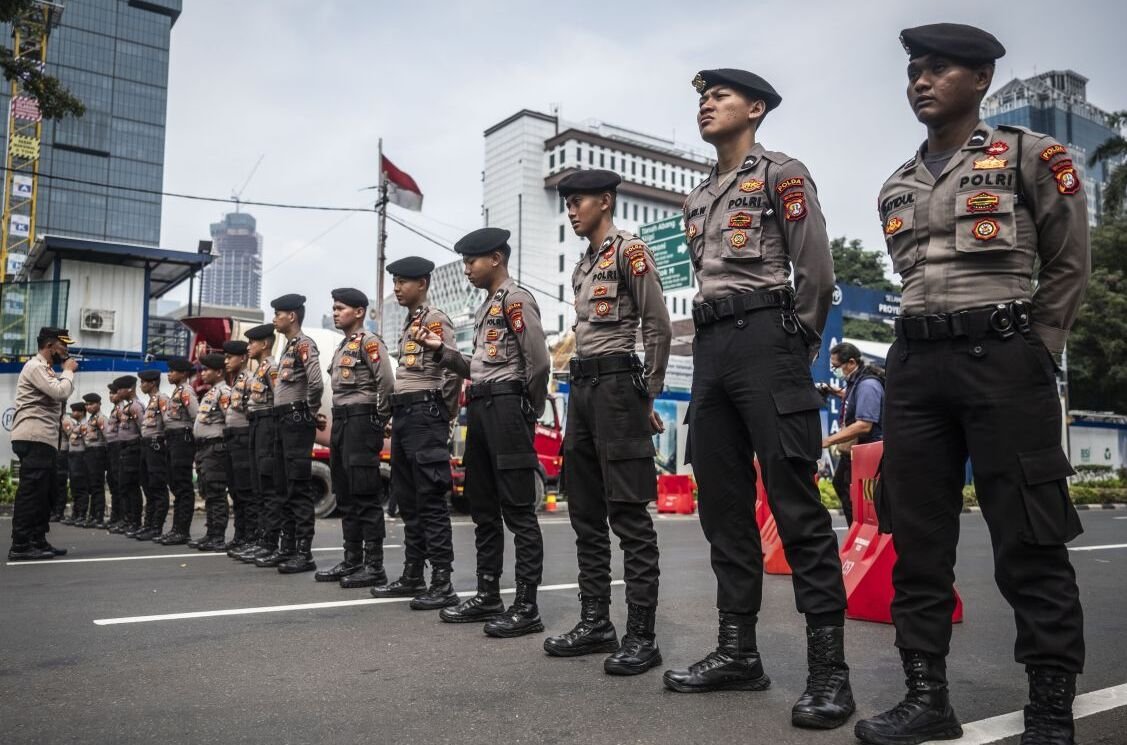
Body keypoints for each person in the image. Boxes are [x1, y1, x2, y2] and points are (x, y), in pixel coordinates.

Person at [854, 24, 1090, 745]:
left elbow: (1068, 264)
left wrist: (1036, 351)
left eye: (938, 69)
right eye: (913, 72)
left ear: (981, 77)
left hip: (1003, 359)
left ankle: (1049, 706)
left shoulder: (1030, 155)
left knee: (1029, 536)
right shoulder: (896, 183)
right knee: (916, 538)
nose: (920, 82)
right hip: (915, 368)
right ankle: (926, 698)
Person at [662, 68, 853, 730]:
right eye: (701, 98)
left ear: (757, 108)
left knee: (795, 506)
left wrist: (794, 347)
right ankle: (738, 652)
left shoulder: (782, 174)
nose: (706, 105)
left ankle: (829, 672)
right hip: (711, 349)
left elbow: (816, 272)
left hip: (768, 339)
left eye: (719, 96)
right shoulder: (697, 197)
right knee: (722, 508)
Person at [542, 169, 672, 675]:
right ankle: (596, 622)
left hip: (619, 387)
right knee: (585, 513)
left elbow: (657, 324)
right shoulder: (582, 266)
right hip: (582, 390)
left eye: (578, 201)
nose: (571, 210)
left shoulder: (629, 252)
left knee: (629, 517)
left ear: (606, 201)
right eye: (567, 203)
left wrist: (648, 394)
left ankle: (642, 636)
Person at [419, 227, 551, 636]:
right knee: (484, 508)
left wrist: (529, 410)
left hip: (507, 409)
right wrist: (442, 352)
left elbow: (539, 362)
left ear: (495, 258)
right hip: (480, 407)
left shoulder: (516, 299)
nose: (466, 269)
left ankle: (526, 606)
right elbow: (477, 369)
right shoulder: (484, 309)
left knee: (518, 511)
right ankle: (488, 594)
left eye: (471, 261)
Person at [370, 257, 462, 610]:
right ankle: (413, 575)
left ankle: (442, 581)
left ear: (422, 283)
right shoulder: (411, 323)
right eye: (394, 282)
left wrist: (444, 414)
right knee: (408, 500)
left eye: (403, 282)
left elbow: (451, 370)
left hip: (426, 415)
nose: (397, 288)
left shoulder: (436, 319)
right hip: (406, 416)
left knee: (431, 500)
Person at [314, 288, 395, 588]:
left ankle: (374, 566)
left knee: (365, 494)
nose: (335, 313)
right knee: (345, 494)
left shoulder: (369, 342)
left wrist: (378, 420)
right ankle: (352, 560)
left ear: (359, 312)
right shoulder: (342, 346)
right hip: (341, 422)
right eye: (334, 308)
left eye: (341, 308)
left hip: (362, 421)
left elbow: (387, 384)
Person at [7, 327, 77, 561]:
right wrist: (68, 371)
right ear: (49, 345)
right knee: (32, 492)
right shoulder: (35, 366)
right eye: (63, 345)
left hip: (44, 439)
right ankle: (20, 545)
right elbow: (60, 392)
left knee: (45, 493)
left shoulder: (45, 369)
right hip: (33, 437)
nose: (66, 350)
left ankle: (37, 539)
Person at [267, 293, 323, 574]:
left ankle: (304, 552)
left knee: (298, 486)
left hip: (296, 420)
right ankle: (287, 547)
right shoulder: (287, 348)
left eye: (278, 314)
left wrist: (309, 411)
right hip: (282, 420)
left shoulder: (304, 344)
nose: (274, 318)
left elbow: (316, 382)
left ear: (292, 316)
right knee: (283, 486)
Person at [821, 342, 884, 526]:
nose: (835, 371)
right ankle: (856, 528)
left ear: (851, 362)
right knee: (840, 484)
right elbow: (851, 396)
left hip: (869, 452)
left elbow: (864, 425)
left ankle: (861, 529)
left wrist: (828, 441)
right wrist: (832, 391)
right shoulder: (856, 381)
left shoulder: (868, 385)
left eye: (836, 367)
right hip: (855, 450)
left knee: (856, 496)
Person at [240, 324, 287, 565]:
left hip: (268, 425)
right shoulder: (259, 370)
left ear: (265, 344)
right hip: (256, 424)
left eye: (252, 343)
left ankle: (270, 542)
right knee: (258, 485)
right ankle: (261, 540)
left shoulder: (272, 368)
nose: (249, 347)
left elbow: (280, 399)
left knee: (268, 486)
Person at [191, 354, 231, 551]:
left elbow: (230, 420)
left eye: (207, 370)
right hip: (204, 449)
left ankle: (218, 536)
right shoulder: (211, 392)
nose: (203, 373)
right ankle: (211, 533)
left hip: (215, 449)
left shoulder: (224, 392)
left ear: (219, 372)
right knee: (207, 491)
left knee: (216, 492)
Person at [221, 340, 255, 557]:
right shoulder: (236, 381)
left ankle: (250, 537)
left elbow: (254, 410)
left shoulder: (250, 379)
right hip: (233, 438)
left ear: (242, 358)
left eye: (229, 357)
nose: (226, 361)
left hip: (244, 438)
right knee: (235, 490)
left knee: (246, 491)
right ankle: (240, 535)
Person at [160, 357, 198, 545]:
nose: (169, 374)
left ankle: (182, 531)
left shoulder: (186, 392)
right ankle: (176, 528)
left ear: (183, 374)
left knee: (183, 485)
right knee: (175, 484)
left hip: (182, 440)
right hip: (173, 440)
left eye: (172, 371)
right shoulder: (177, 391)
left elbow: (196, 416)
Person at [137, 369, 170, 541]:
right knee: (148, 486)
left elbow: (168, 422)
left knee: (157, 486)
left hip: (156, 445)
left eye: (143, 382)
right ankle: (148, 525)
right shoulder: (151, 401)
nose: (141, 385)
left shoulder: (162, 398)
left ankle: (156, 527)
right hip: (146, 445)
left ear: (153, 383)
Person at [113, 376, 145, 538]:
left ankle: (135, 521)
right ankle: (127, 519)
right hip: (124, 449)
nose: (118, 392)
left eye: (120, 389)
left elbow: (143, 429)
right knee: (124, 486)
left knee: (132, 486)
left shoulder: (136, 407)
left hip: (133, 450)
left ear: (130, 389)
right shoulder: (128, 407)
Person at [81, 392, 109, 529]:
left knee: (97, 486)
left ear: (99, 404)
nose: (88, 407)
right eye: (86, 405)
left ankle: (98, 516)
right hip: (90, 453)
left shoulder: (101, 418)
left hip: (98, 453)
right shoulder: (90, 420)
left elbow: (108, 437)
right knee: (92, 486)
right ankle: (92, 516)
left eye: (91, 404)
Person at [61, 402, 88, 526]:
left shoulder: (84, 425)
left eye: (76, 411)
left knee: (81, 486)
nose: (73, 413)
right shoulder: (77, 425)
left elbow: (88, 443)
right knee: (74, 486)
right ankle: (75, 513)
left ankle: (81, 514)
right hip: (73, 456)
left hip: (80, 457)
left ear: (82, 412)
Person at [103, 381, 125, 533]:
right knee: (112, 481)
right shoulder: (115, 409)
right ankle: (115, 516)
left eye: (114, 393)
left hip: (118, 447)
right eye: (110, 393)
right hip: (111, 448)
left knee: (119, 483)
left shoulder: (122, 409)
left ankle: (122, 517)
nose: (111, 396)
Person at [52, 406, 71, 523]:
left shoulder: (65, 420)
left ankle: (59, 512)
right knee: (52, 483)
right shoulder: (53, 418)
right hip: (54, 453)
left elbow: (72, 437)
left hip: (62, 453)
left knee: (60, 484)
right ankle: (53, 510)